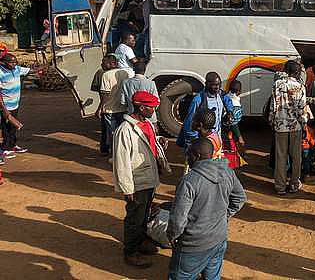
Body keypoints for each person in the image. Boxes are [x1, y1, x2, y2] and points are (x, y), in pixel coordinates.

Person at [167, 138, 246, 280]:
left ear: (196, 156)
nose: (187, 157)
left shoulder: (189, 181)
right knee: (212, 276)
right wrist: (224, 216)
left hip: (193, 245)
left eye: (189, 154)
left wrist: (172, 236)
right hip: (219, 239)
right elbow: (239, 198)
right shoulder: (227, 171)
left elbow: (178, 220)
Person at [112, 91, 171, 268]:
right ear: (142, 107)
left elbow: (150, 145)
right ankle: (130, 252)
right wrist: (127, 188)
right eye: (152, 108)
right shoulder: (125, 130)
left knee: (145, 213)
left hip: (149, 178)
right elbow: (121, 161)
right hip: (136, 182)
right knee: (134, 217)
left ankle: (141, 241)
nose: (154, 111)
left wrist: (158, 141)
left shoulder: (147, 125)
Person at [269, 61, 307, 195]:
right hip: (295, 126)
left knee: (281, 156)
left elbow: (273, 105)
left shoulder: (277, 84)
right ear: (297, 73)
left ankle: (280, 186)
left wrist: (271, 120)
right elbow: (301, 108)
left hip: (280, 126)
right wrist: (304, 124)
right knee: (296, 157)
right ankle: (294, 184)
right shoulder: (300, 86)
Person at [178, 72, 234, 149]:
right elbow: (189, 123)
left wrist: (230, 112)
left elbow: (228, 100)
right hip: (204, 143)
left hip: (217, 140)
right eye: (214, 85)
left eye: (218, 84)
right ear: (206, 84)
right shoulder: (198, 100)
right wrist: (193, 144)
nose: (217, 87)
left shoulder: (220, 94)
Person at [1, 53, 32, 160]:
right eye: (12, 62)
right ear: (3, 62)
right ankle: (5, 148)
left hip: (15, 103)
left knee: (13, 127)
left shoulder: (16, 69)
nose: (14, 64)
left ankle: (13, 145)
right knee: (6, 127)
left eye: (15, 62)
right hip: (5, 105)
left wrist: (49, 64)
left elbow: (30, 70)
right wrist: (4, 110)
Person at [98, 55, 130, 155]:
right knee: (122, 133)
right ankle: (123, 153)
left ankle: (114, 154)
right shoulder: (125, 73)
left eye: (104, 62)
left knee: (112, 133)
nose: (102, 64)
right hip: (123, 108)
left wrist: (101, 107)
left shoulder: (106, 75)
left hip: (110, 109)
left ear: (112, 63)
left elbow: (105, 94)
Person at [223, 80, 245, 170]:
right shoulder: (235, 103)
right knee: (230, 147)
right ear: (239, 91)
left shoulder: (225, 97)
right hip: (229, 130)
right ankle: (230, 165)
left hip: (223, 128)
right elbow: (233, 123)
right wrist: (240, 137)